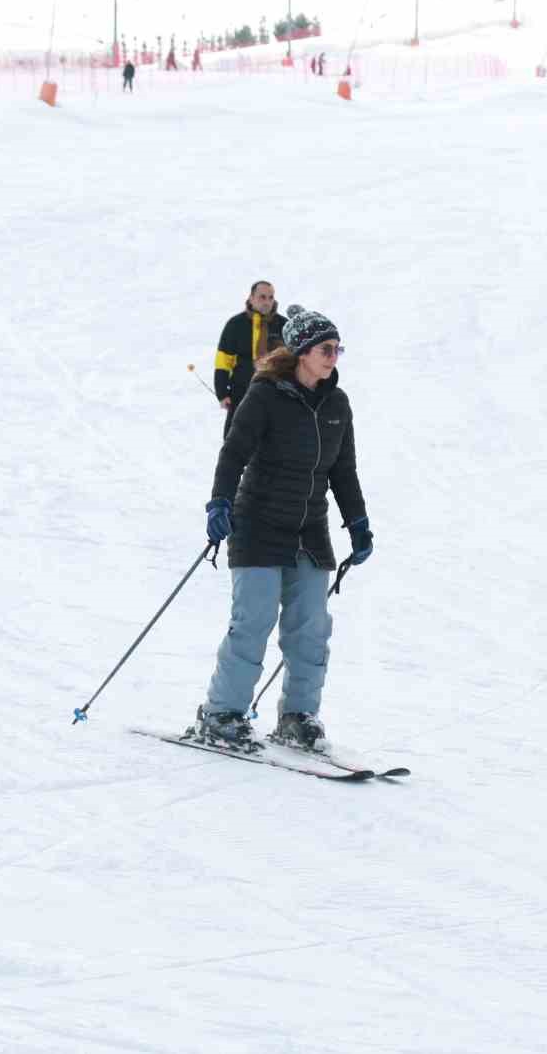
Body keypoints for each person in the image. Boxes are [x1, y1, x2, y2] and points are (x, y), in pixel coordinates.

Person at [197, 305, 373, 751]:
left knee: (310, 629)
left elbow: (344, 472)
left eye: (337, 349)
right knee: (252, 623)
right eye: (325, 348)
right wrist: (219, 502)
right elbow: (234, 452)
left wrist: (358, 524)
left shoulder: (338, 404)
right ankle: (222, 714)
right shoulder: (265, 395)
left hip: (309, 531)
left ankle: (299, 716)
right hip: (258, 524)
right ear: (300, 352)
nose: (333, 356)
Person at [214, 281, 287, 437]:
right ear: (251, 298)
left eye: (270, 297)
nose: (267, 302)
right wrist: (222, 392)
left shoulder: (284, 325)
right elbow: (223, 361)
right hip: (241, 391)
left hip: (275, 392)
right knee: (234, 436)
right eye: (262, 297)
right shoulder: (235, 324)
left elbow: (295, 362)